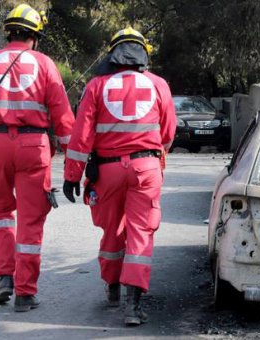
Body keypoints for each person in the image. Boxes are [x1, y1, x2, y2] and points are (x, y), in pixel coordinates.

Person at [0, 4, 75, 312]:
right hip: (32, 146)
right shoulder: (46, 64)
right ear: (34, 36)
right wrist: (76, 162)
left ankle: (4, 277)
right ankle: (25, 292)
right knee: (30, 217)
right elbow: (63, 117)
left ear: (7, 32)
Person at [63, 27, 176, 326]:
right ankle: (134, 305)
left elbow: (81, 136)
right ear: (143, 53)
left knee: (112, 231)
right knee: (141, 232)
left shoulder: (96, 85)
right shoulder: (158, 85)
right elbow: (167, 133)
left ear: (112, 54)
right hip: (145, 170)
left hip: (107, 170)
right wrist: (154, 156)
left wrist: (72, 176)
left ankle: (112, 287)